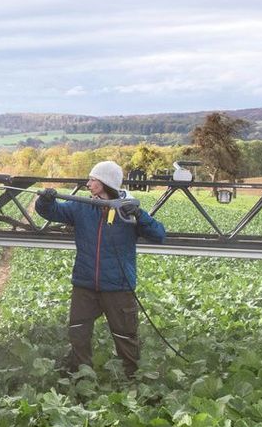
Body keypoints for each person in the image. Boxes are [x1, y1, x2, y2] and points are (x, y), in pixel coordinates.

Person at [34, 160, 166, 375]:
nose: (88, 183)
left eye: (92, 179)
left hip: (118, 286)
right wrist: (45, 202)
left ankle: (131, 377)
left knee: (125, 335)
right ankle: (81, 374)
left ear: (105, 183)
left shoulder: (128, 210)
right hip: (85, 284)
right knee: (78, 332)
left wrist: (140, 216)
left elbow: (159, 235)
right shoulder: (82, 207)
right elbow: (53, 212)